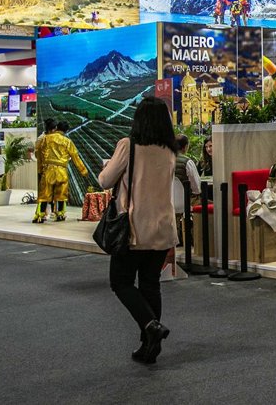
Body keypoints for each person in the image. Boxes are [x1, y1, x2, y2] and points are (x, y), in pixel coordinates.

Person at [97, 96, 177, 365]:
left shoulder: (128, 145)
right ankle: (149, 346)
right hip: (162, 228)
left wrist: (107, 167)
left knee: (120, 282)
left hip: (134, 228)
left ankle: (151, 326)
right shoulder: (169, 150)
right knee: (150, 284)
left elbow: (105, 180)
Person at [34, 122, 87, 223]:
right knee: (61, 194)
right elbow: (75, 157)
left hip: (48, 170)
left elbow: (39, 154)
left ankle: (39, 216)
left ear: (57, 128)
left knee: (44, 194)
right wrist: (83, 171)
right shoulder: (68, 141)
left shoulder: (46, 139)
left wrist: (40, 169)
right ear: (66, 131)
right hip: (62, 171)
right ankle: (60, 215)